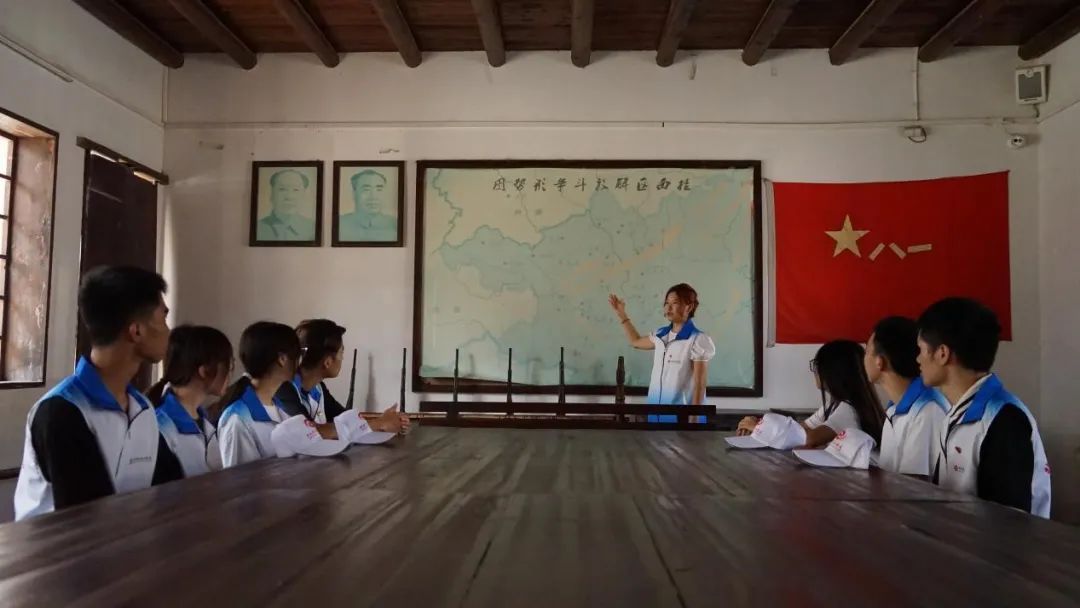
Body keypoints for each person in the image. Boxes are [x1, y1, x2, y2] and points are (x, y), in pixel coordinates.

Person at [14, 266, 182, 520]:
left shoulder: (143, 409)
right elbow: (87, 520)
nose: (169, 331)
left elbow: (171, 489)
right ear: (136, 331)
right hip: (68, 547)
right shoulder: (62, 412)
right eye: (163, 318)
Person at [918, 297, 1050, 517]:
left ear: (942, 353)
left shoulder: (1004, 419)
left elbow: (1008, 521)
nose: (918, 359)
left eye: (921, 350)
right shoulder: (955, 414)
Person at [737, 340, 885, 448]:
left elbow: (808, 439)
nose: (814, 371)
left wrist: (758, 428)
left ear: (833, 372)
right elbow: (799, 429)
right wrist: (760, 423)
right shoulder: (833, 404)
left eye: (817, 365)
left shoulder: (848, 409)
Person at [275, 319, 408, 435]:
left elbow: (344, 418)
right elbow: (310, 432)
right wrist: (379, 423)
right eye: (341, 352)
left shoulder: (318, 388)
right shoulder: (284, 389)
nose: (343, 358)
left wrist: (384, 420)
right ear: (327, 362)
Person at [609, 284, 716, 423]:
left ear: (689, 307)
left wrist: (694, 420)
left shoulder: (697, 339)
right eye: (666, 303)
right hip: (655, 417)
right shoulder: (660, 335)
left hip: (682, 421)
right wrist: (622, 314)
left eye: (674, 303)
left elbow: (699, 384)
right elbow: (635, 341)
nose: (668, 307)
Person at [864, 316, 948, 477]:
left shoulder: (927, 411)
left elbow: (913, 485)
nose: (864, 359)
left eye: (867, 351)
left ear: (880, 362)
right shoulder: (893, 410)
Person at [146, 325, 234, 477]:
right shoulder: (162, 429)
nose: (230, 373)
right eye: (228, 365)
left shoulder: (205, 422)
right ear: (204, 371)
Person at [216, 321, 304, 468]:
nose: (300, 362)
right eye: (298, 355)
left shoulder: (280, 409)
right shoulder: (238, 420)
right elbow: (238, 478)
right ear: (282, 359)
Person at [338, 170, 397, 242]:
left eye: (379, 190)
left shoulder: (395, 224)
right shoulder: (339, 224)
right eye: (366, 190)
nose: (373, 197)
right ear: (354, 194)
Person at [256, 169, 316, 241]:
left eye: (296, 189)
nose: (289, 196)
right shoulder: (257, 227)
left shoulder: (312, 228)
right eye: (282, 189)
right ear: (272, 193)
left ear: (304, 194)